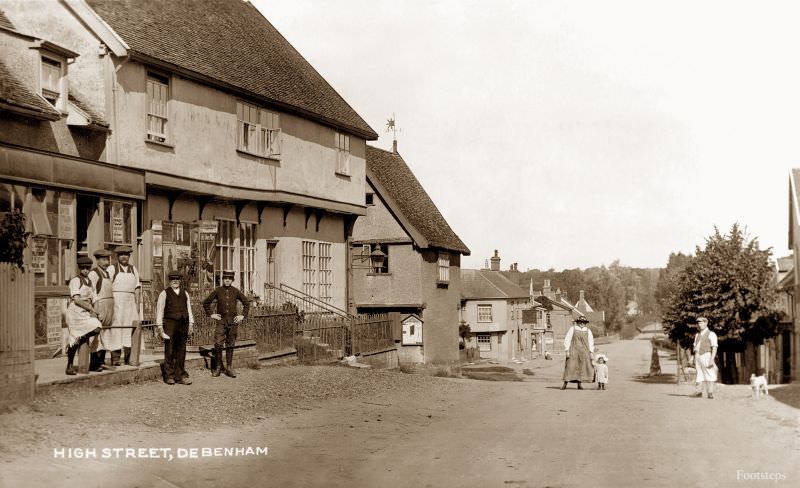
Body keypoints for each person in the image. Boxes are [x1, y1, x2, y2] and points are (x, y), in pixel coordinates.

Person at [202, 270, 250, 378]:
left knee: (230, 344)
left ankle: (229, 368)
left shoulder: (235, 291)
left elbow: (246, 303)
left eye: (229, 279)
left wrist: (242, 315)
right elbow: (206, 303)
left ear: (232, 280)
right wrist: (211, 314)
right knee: (218, 344)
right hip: (221, 322)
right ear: (222, 279)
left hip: (233, 323)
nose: (227, 280)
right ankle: (218, 367)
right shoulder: (218, 291)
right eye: (225, 278)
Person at [64, 256, 103, 375]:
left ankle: (81, 336)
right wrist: (91, 308)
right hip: (75, 312)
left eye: (87, 268)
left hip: (85, 313)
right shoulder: (75, 280)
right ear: (79, 268)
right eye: (83, 268)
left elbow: (95, 299)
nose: (85, 270)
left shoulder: (90, 282)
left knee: (97, 327)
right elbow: (77, 300)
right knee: (74, 338)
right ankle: (69, 366)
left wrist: (97, 312)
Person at [155, 271, 194, 385]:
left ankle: (180, 375)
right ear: (170, 281)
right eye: (173, 280)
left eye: (177, 279)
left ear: (180, 281)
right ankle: (169, 376)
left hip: (183, 324)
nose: (175, 281)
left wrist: (191, 323)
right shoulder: (164, 293)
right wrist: (160, 327)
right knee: (170, 350)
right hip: (170, 324)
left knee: (181, 351)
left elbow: (189, 309)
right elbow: (160, 311)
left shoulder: (184, 293)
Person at [109, 246, 141, 365]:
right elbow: (108, 286)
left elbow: (137, 288)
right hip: (117, 302)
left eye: (126, 255)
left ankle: (129, 357)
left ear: (129, 257)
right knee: (117, 328)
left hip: (130, 302)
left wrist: (137, 304)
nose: (124, 257)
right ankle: (116, 358)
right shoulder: (112, 269)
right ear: (117, 256)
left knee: (130, 328)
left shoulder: (133, 269)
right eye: (121, 255)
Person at [88, 249, 115, 371]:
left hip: (109, 306)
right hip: (99, 306)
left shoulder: (107, 273)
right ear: (97, 260)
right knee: (96, 335)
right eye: (103, 260)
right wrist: (94, 310)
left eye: (107, 260)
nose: (106, 262)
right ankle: (94, 363)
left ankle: (102, 361)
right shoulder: (93, 274)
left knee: (106, 334)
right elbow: (91, 292)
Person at [561, 315, 595, 390]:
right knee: (570, 366)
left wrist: (591, 352)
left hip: (584, 351)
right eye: (580, 322)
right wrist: (567, 350)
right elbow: (567, 339)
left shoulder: (588, 331)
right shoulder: (572, 329)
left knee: (582, 367)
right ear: (578, 322)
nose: (582, 324)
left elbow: (591, 342)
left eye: (583, 322)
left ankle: (579, 384)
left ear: (585, 323)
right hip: (573, 350)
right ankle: (565, 383)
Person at [692, 317, 718, 399]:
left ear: (706, 323)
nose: (700, 325)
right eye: (698, 323)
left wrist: (712, 359)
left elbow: (714, 347)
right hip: (698, 356)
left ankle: (710, 393)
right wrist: (694, 357)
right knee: (699, 374)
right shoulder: (697, 335)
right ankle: (698, 392)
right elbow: (695, 347)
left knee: (709, 373)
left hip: (707, 355)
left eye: (701, 323)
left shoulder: (711, 334)